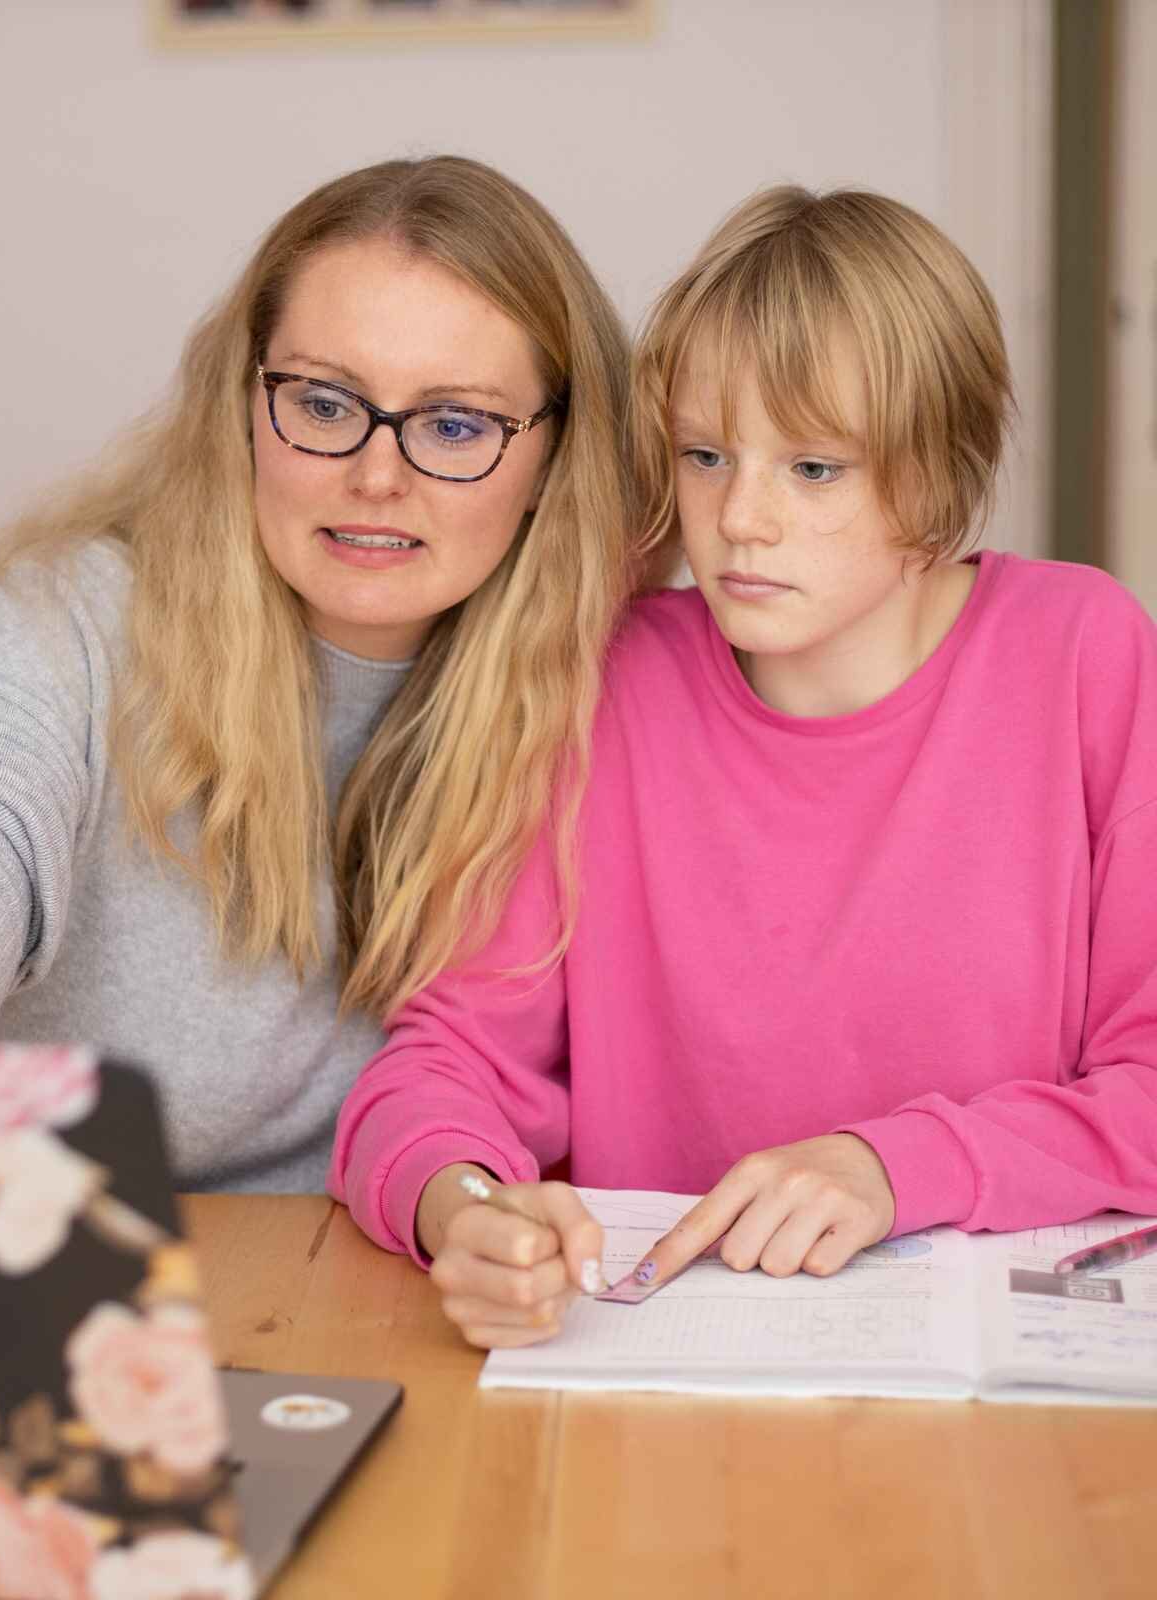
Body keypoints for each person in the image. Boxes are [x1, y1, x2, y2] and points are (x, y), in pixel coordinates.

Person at [331, 184, 1157, 1343]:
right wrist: (461, 1205)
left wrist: (893, 1165)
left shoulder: (1085, 653)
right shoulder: (608, 679)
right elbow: (444, 1060)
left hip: (995, 1384)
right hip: (658, 1370)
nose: (738, 520)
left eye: (813, 468)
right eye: (706, 455)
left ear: (938, 472)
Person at [0, 155, 656, 1193]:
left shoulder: (616, 685)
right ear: (242, 404)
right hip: (22, 1238)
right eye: (326, 405)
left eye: (455, 424)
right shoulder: (73, 619)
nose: (377, 476)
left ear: (554, 456)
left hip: (355, 1282)